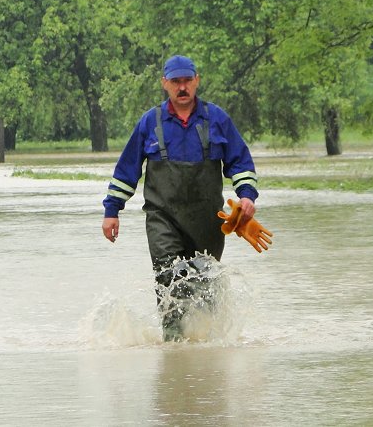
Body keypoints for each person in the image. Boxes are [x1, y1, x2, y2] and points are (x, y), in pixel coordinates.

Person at [101, 54, 260, 341]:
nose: (182, 87)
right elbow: (127, 170)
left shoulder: (218, 120)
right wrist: (112, 211)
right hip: (163, 218)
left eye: (187, 80)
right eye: (176, 82)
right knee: (167, 275)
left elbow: (241, 162)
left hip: (208, 221)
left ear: (197, 81)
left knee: (204, 284)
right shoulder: (150, 122)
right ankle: (173, 345)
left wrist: (246, 196)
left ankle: (204, 345)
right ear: (165, 84)